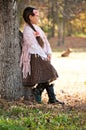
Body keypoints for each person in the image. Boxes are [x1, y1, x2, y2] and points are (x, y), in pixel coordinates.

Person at [20, 6, 64, 105]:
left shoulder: (37, 28)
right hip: (35, 56)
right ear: (31, 17)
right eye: (37, 16)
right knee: (49, 73)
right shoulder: (27, 30)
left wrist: (48, 53)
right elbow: (33, 45)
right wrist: (44, 55)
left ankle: (49, 97)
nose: (38, 18)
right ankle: (42, 94)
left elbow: (45, 41)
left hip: (42, 55)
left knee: (46, 76)